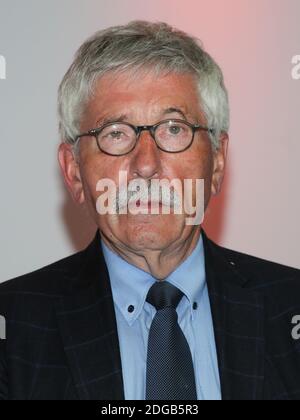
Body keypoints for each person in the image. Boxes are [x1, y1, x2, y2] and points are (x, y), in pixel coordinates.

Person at [0, 21, 299, 401]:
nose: (145, 164)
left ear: (218, 162)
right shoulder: (12, 330)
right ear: (74, 171)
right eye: (115, 133)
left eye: (173, 129)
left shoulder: (291, 309)